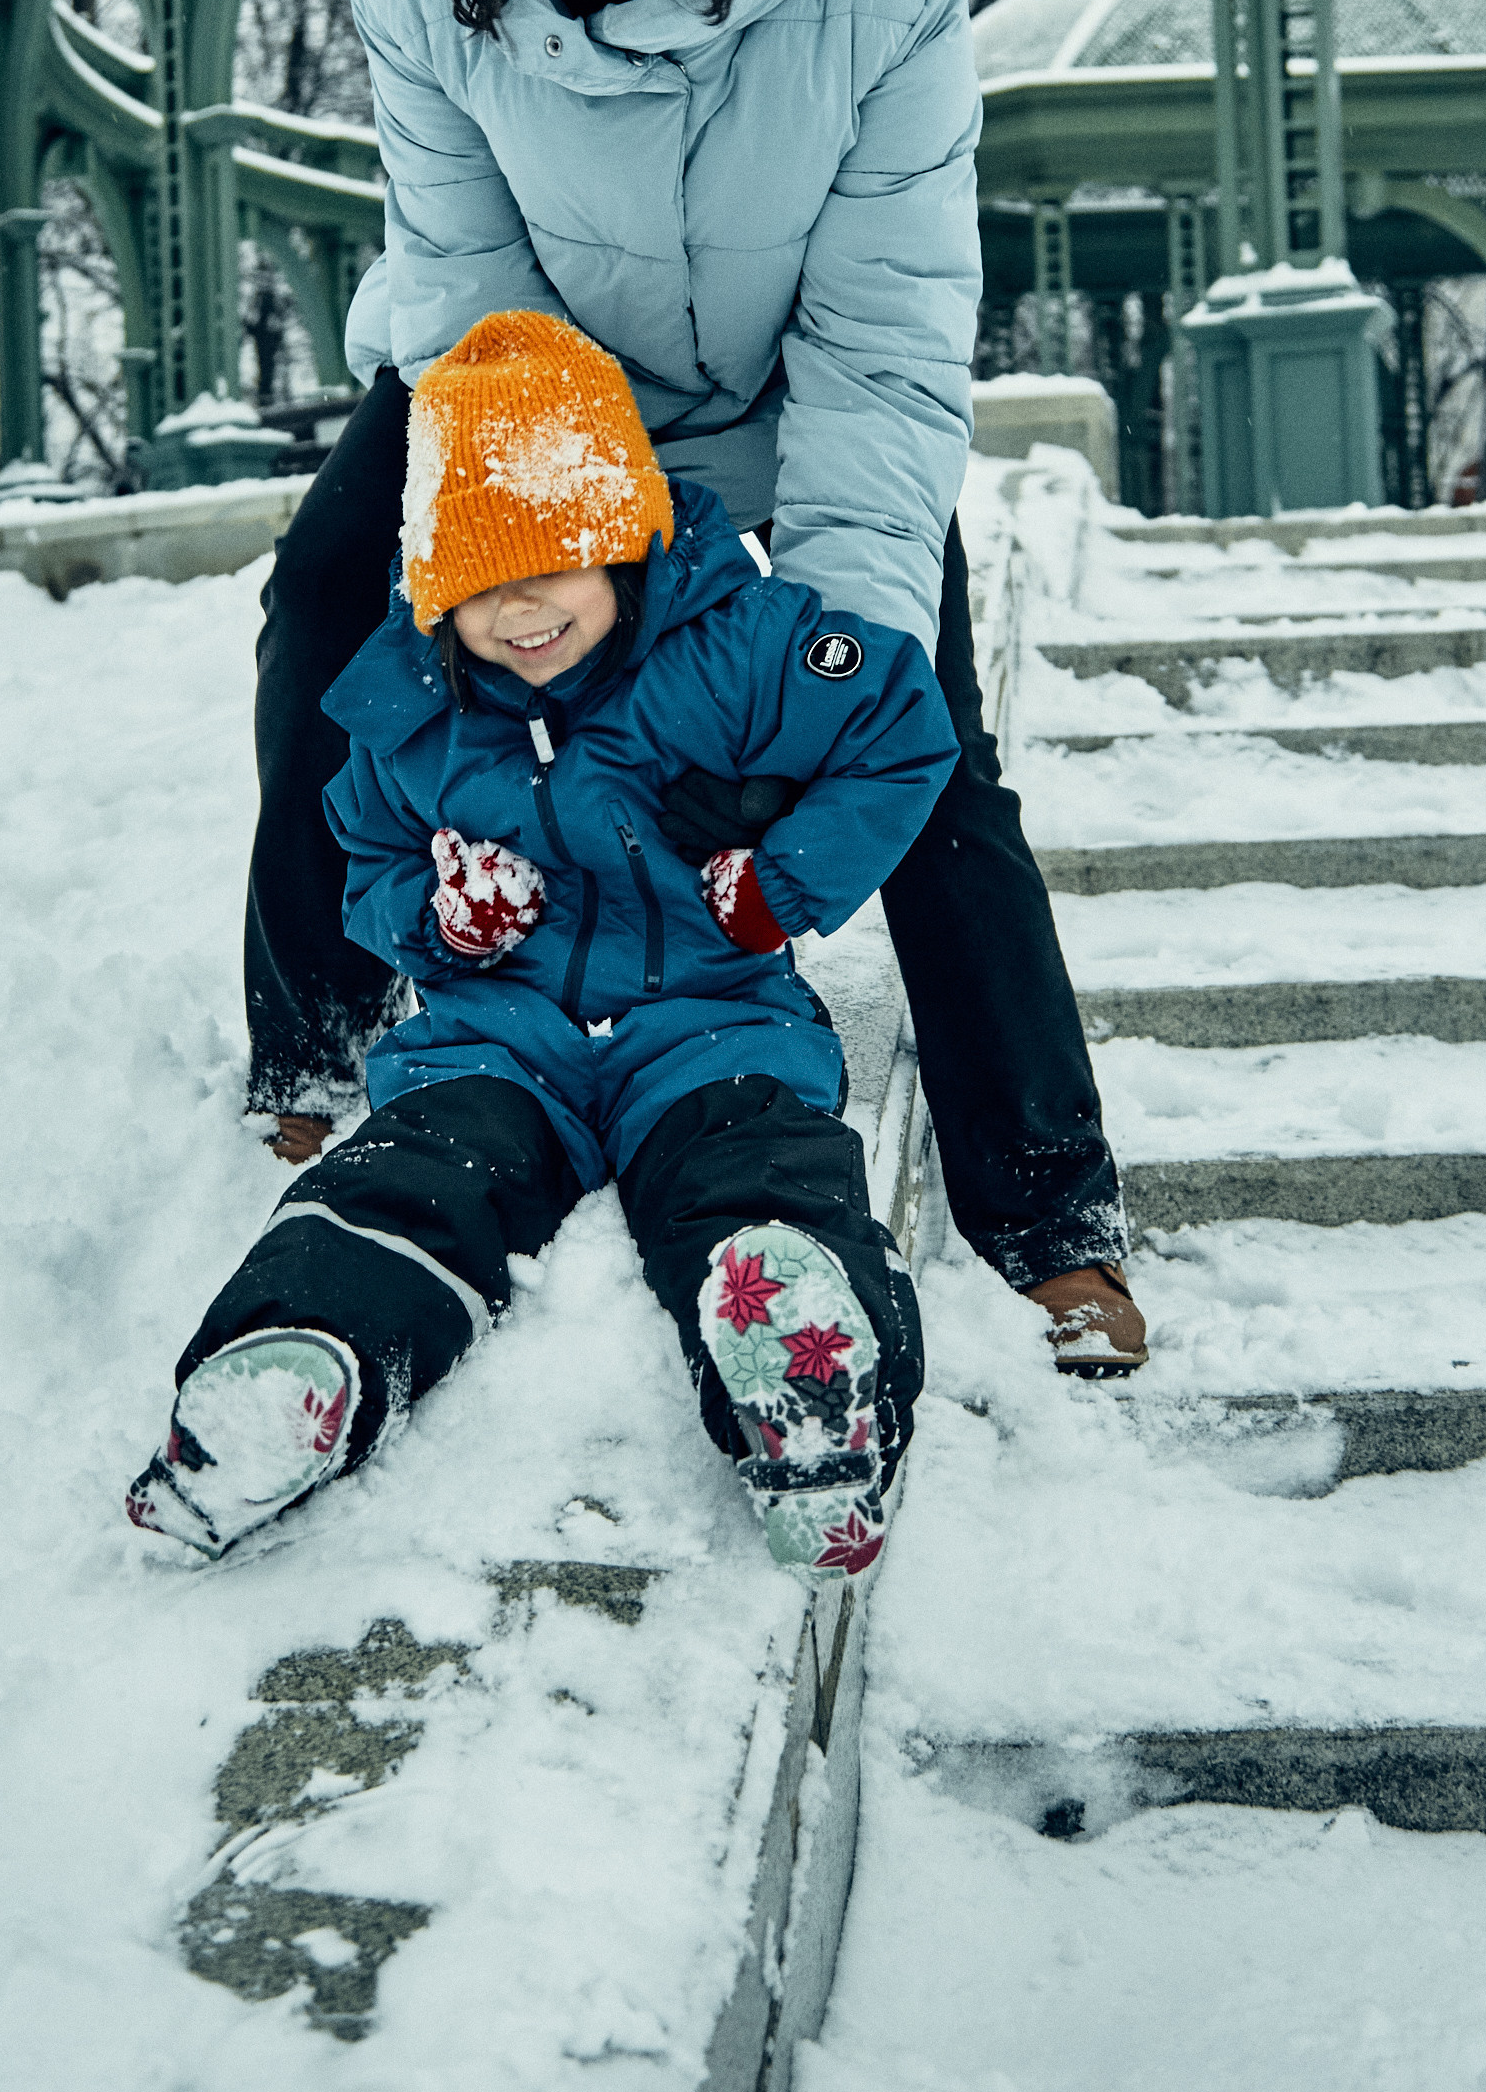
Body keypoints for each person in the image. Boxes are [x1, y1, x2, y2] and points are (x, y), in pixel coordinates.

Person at [242, 0, 1146, 1377]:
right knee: (325, 606)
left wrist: (815, 642)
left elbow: (890, 331)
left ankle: (1045, 1199)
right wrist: (549, 559)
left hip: (781, 384)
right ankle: (314, 1041)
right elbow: (463, 280)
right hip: (525, 380)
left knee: (920, 727)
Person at [133, 310, 955, 1566]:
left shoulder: (735, 648)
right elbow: (368, 864)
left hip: (709, 1015)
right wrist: (438, 916)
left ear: (620, 540)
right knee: (417, 1170)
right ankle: (293, 1359)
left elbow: (902, 727)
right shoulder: (408, 713)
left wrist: (775, 883)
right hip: (495, 1035)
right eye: (478, 590)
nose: (521, 614)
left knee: (753, 1157)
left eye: (553, 568)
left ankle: (804, 1357)